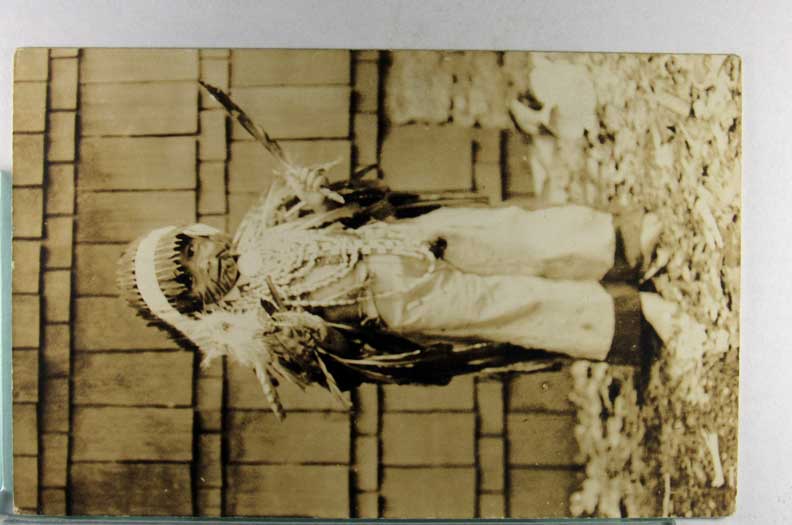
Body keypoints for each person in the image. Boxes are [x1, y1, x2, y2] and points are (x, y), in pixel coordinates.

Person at [116, 83, 659, 419]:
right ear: (199, 307)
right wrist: (307, 338)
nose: (206, 259)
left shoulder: (259, 227)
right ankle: (623, 320)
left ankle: (615, 244)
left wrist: (315, 195)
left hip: (404, 239)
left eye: (191, 248)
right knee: (502, 305)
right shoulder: (252, 330)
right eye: (192, 276)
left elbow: (341, 211)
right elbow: (336, 356)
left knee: (507, 233)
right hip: (394, 300)